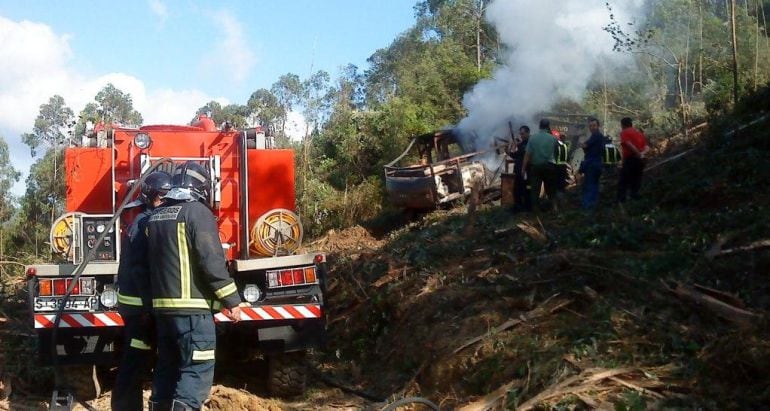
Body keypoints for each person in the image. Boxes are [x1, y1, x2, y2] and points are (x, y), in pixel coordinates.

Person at [146, 161, 247, 411]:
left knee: (167, 368)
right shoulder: (198, 213)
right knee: (195, 371)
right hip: (193, 314)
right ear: (201, 186)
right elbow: (211, 262)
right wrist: (232, 301)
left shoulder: (155, 217)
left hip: (163, 313)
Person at [112, 171, 171, 411]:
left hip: (140, 307)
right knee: (135, 360)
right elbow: (138, 270)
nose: (167, 202)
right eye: (163, 197)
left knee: (145, 357)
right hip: (138, 309)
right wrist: (149, 306)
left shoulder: (147, 220)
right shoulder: (143, 223)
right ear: (152, 197)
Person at [522, 119, 559, 212]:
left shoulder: (533, 138)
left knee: (535, 190)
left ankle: (535, 211)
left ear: (539, 126)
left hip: (536, 167)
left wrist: (523, 169)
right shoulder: (553, 138)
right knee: (551, 189)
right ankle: (554, 208)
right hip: (549, 166)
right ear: (548, 126)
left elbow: (527, 154)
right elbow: (555, 153)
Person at [617, 117, 649, 202]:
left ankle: (622, 201)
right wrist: (642, 154)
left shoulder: (624, 132)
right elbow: (647, 147)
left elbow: (629, 144)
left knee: (623, 181)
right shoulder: (638, 133)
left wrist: (638, 154)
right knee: (636, 180)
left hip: (630, 160)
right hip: (639, 161)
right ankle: (635, 199)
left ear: (622, 125)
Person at [580, 118, 609, 210]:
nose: (592, 127)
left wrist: (581, 143)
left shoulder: (596, 136)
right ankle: (594, 206)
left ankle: (587, 208)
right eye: (590, 126)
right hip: (597, 164)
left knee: (589, 186)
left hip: (592, 164)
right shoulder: (599, 136)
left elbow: (585, 145)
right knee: (594, 186)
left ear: (598, 126)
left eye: (594, 125)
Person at [509, 125, 532, 212]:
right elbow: (516, 155)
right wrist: (509, 152)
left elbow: (522, 155)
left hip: (526, 171)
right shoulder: (522, 144)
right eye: (520, 134)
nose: (521, 135)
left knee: (527, 188)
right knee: (518, 189)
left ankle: (527, 207)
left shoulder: (529, 143)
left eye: (523, 134)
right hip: (520, 171)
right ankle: (519, 206)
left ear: (528, 132)